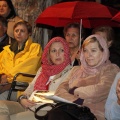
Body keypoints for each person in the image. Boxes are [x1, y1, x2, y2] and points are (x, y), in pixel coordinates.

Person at [0, 36, 72, 120]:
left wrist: (40, 96)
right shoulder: (43, 70)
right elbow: (29, 89)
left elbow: (65, 96)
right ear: (49, 55)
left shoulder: (71, 71)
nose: (57, 54)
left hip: (47, 109)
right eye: (53, 51)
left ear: (66, 52)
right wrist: (22, 99)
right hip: (28, 104)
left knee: (13, 118)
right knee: (1, 106)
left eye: (61, 50)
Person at [53, 34, 119, 120]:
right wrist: (76, 100)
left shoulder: (110, 69)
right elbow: (60, 90)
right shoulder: (76, 70)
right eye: (85, 51)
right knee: (55, 114)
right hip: (71, 110)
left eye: (93, 50)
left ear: (103, 51)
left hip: (93, 114)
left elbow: (99, 90)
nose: (88, 55)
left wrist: (74, 90)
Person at [0, 20, 42, 100]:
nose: (18, 33)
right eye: (16, 31)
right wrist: (2, 76)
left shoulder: (35, 47)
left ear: (29, 33)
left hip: (22, 86)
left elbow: (30, 67)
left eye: (22, 31)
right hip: (4, 83)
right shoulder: (7, 49)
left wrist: (8, 78)